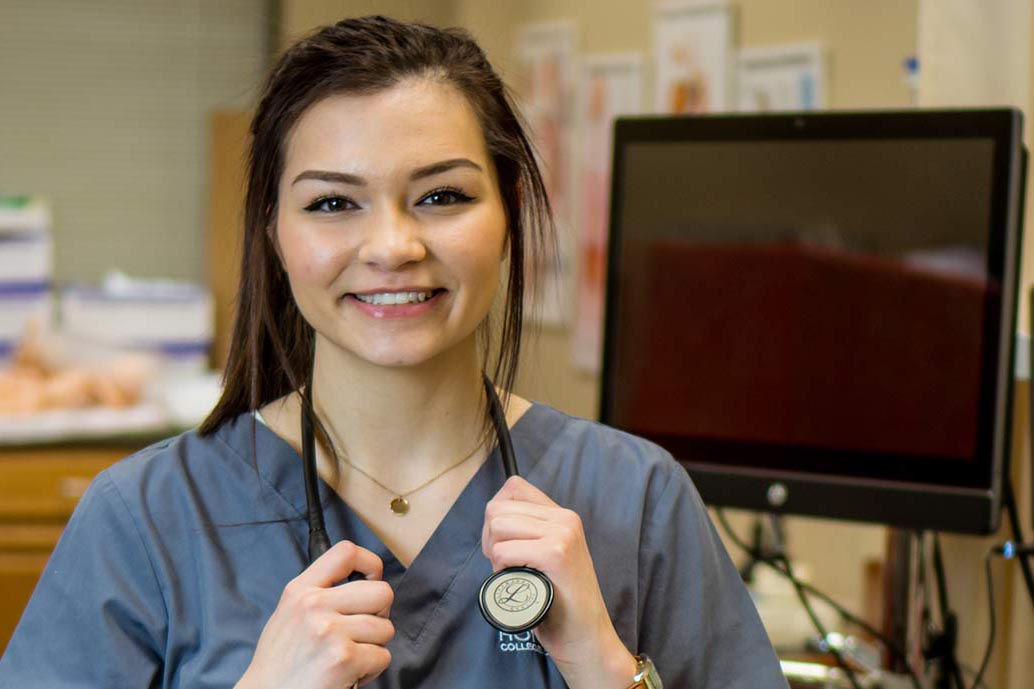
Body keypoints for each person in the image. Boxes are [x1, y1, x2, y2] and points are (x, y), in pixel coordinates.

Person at [0, 15, 786, 689]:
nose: (393, 246)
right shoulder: (149, 518)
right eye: (333, 203)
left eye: (442, 195)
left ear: (507, 214)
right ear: (274, 233)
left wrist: (604, 664)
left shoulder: (636, 501)